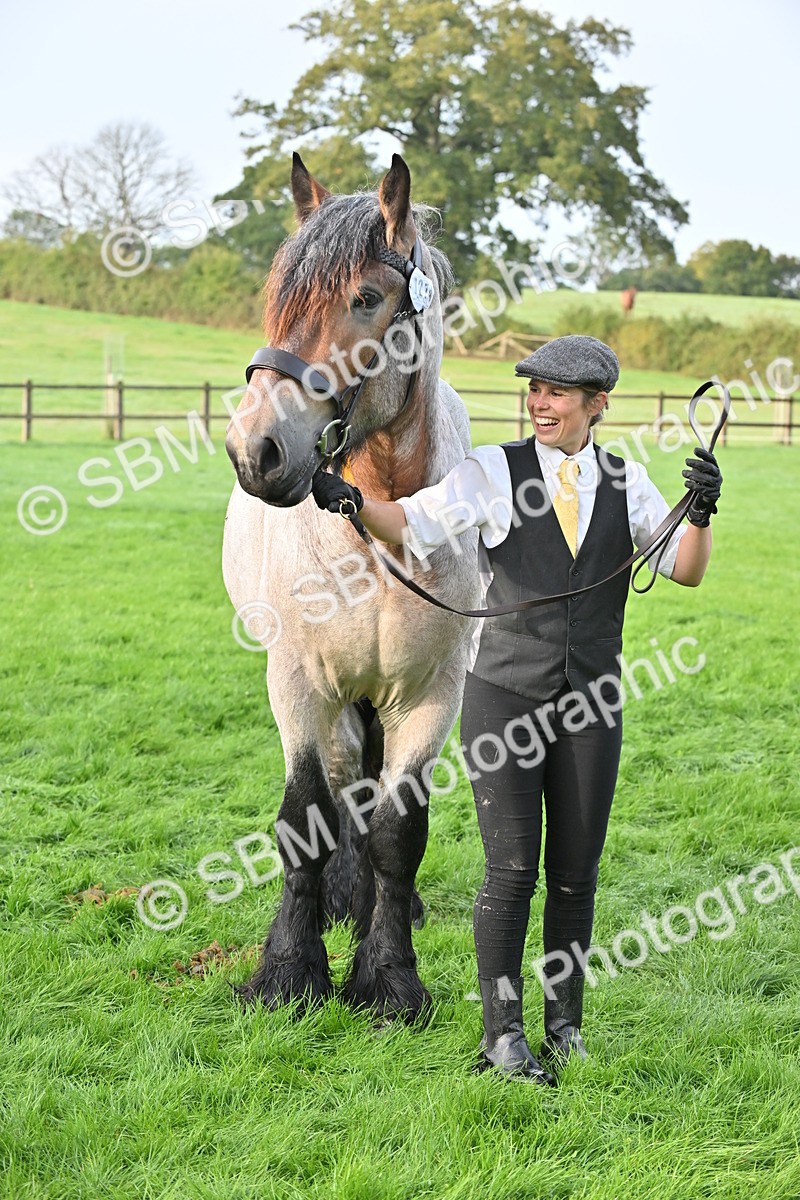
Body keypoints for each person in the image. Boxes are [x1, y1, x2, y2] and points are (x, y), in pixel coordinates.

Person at [312, 335, 723, 1086]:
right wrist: (353, 502)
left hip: (594, 704)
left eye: (557, 393)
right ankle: (503, 1037)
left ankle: (565, 1028)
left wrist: (700, 510)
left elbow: (685, 572)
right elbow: (413, 523)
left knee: (576, 874)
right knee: (511, 873)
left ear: (597, 404)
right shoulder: (493, 471)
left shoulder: (628, 483)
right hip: (505, 700)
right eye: (533, 389)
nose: (540, 403)